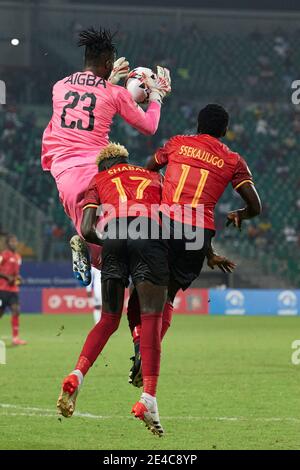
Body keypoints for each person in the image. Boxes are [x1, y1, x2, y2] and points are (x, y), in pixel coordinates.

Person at [128, 103, 262, 386]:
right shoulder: (234, 160)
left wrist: (160, 189)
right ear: (225, 130)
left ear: (198, 125)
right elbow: (255, 206)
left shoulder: (178, 143)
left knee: (141, 291)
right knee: (167, 297)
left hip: (163, 224)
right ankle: (148, 359)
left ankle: (140, 345)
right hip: (199, 233)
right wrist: (241, 214)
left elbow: (148, 169)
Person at [41, 27, 171, 285]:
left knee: (100, 238)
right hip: (97, 172)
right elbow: (149, 126)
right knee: (116, 238)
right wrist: (156, 96)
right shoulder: (115, 93)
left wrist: (108, 82)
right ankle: (92, 252)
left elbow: (87, 97)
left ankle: (86, 248)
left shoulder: (59, 86)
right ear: (109, 62)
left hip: (64, 172)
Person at [57, 143, 169, 436]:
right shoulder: (151, 176)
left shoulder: (99, 180)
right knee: (151, 318)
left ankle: (77, 374)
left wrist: (109, 247)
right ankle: (149, 398)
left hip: (115, 234)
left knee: (108, 319)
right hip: (148, 233)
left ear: (103, 166)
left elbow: (88, 227)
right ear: (125, 159)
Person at [0, 234, 26, 346]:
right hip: (2, 289)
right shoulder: (3, 255)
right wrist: (7, 277)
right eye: (12, 241)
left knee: (16, 310)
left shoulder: (18, 257)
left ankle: (15, 338)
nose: (14, 243)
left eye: (16, 241)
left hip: (13, 289)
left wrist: (18, 278)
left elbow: (16, 273)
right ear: (7, 243)